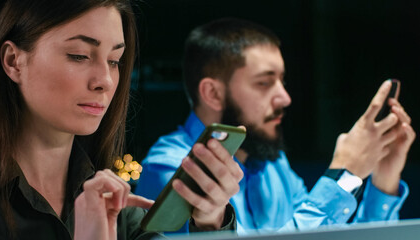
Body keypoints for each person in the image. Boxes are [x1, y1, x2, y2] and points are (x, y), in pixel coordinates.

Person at [0, 2, 242, 239]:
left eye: (114, 60)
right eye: (79, 56)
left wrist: (211, 221)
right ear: (14, 61)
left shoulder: (118, 205)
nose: (105, 82)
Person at [135, 18, 416, 234]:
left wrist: (384, 180)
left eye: (282, 80)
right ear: (213, 94)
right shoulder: (171, 167)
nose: (285, 97)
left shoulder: (272, 164)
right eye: (264, 83)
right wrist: (345, 175)